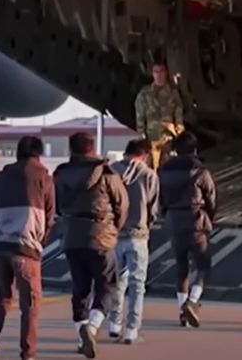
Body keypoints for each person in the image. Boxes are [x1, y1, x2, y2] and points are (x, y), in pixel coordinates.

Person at [0, 136, 55, 360]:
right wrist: (40, 243)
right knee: (30, 304)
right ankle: (28, 354)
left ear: (18, 154)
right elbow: (50, 217)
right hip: (26, 248)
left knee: (3, 296)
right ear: (38, 155)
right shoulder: (44, 179)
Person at [54, 132, 128, 359]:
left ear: (71, 149)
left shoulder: (60, 174)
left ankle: (81, 336)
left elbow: (55, 205)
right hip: (101, 236)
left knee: (80, 288)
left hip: (72, 237)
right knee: (107, 285)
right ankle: (92, 328)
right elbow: (122, 205)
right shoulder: (107, 173)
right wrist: (114, 229)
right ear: (92, 148)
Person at [158, 132, 216, 328]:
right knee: (203, 266)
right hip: (196, 221)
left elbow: (161, 199)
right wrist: (209, 218)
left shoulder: (163, 170)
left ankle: (182, 311)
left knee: (181, 268)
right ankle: (192, 301)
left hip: (174, 221)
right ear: (195, 149)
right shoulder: (200, 171)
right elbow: (211, 198)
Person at [106, 139, 159, 343]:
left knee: (117, 281)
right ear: (144, 155)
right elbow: (153, 208)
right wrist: (147, 223)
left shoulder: (111, 171)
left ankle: (114, 323)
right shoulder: (149, 175)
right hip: (138, 235)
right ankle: (131, 329)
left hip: (114, 235)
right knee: (137, 283)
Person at [135, 62, 185, 169]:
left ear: (166, 73)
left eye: (161, 71)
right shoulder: (144, 94)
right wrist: (141, 135)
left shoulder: (173, 93)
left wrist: (179, 134)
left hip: (168, 138)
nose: (159, 75)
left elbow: (178, 115)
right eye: (156, 72)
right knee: (150, 168)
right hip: (151, 138)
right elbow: (140, 116)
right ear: (152, 74)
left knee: (168, 168)